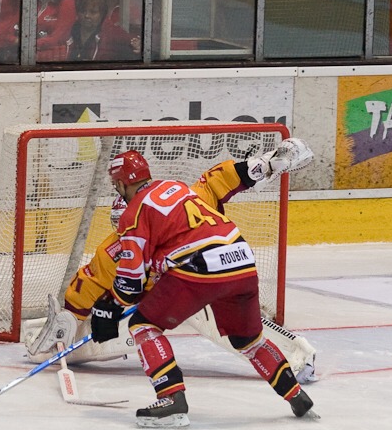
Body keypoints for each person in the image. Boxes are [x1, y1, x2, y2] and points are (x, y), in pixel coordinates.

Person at [24, 139, 317, 385]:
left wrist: (264, 164)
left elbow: (216, 181)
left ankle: (293, 358)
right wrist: (69, 320)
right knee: (127, 324)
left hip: (195, 283)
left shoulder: (165, 210)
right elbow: (85, 287)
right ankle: (58, 348)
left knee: (226, 326)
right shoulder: (117, 247)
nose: (126, 227)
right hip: (176, 293)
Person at [89, 147, 315, 427]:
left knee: (143, 326)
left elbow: (131, 282)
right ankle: (296, 395)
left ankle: (171, 400)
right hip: (241, 260)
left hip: (200, 266)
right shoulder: (176, 188)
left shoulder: (133, 213)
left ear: (123, 183)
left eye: (117, 185)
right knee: (248, 341)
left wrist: (109, 305)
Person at [65, 0, 138, 61]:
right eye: (83, 11)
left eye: (93, 12)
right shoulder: (69, 31)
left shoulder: (112, 33)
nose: (87, 15)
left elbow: (134, 43)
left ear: (102, 14)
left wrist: (138, 45)